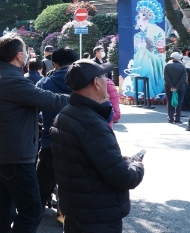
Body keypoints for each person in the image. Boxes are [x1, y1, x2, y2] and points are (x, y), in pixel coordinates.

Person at [0, 34, 69, 233]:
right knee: (31, 210)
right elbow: (51, 100)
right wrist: (83, 98)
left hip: (3, 153)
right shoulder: (13, 81)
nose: (28, 54)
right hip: (16, 156)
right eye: (25, 50)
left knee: (4, 208)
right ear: (19, 55)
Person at [51, 59, 145, 232]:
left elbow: (85, 162)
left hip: (76, 209)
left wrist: (120, 160)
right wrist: (136, 165)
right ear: (96, 82)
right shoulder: (91, 123)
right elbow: (123, 177)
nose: (108, 81)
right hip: (97, 214)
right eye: (105, 77)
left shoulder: (66, 114)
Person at [35, 47, 77, 217]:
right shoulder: (85, 82)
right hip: (77, 144)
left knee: (39, 190)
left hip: (49, 142)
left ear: (55, 64)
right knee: (76, 186)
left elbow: (33, 109)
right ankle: (66, 214)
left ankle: (32, 218)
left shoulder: (44, 83)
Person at [164, 51, 187, 124]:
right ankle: (177, 119)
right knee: (179, 103)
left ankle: (170, 119)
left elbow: (166, 77)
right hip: (180, 88)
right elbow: (183, 78)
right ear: (178, 58)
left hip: (168, 87)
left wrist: (171, 86)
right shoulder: (182, 66)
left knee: (170, 102)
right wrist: (176, 87)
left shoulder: (166, 66)